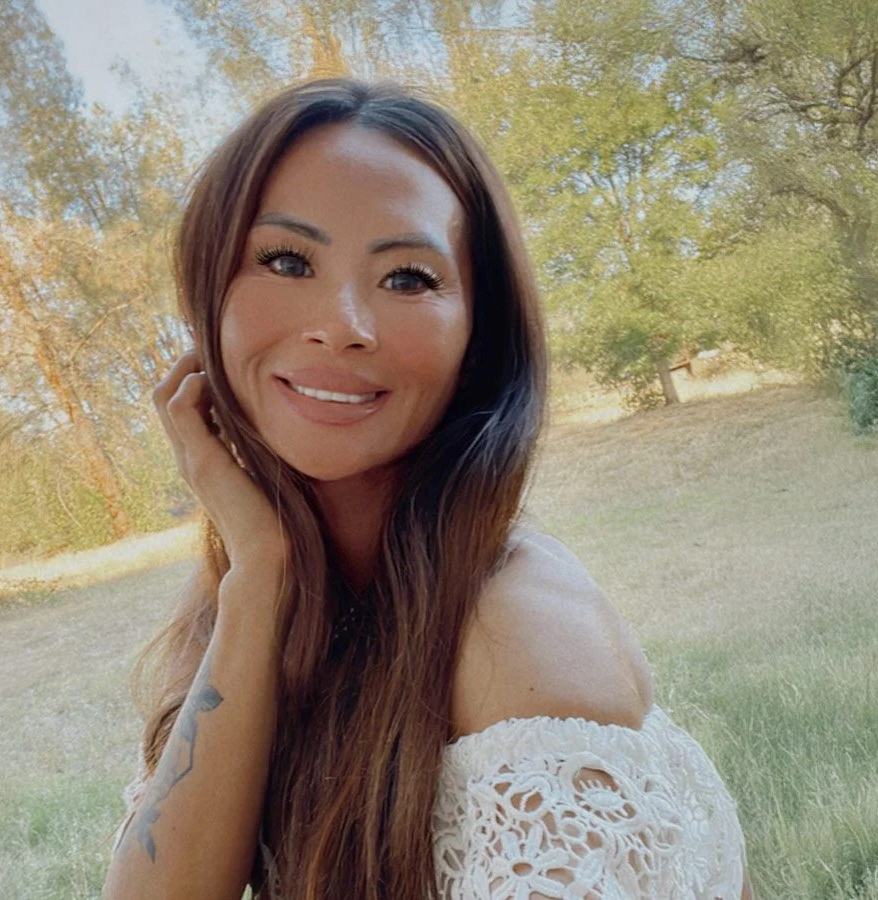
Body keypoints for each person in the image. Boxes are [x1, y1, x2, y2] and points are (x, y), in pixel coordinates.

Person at [102, 76, 753, 900]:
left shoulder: (520, 639)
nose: (342, 324)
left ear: (478, 335)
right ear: (210, 302)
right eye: (286, 261)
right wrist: (259, 571)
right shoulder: (253, 594)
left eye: (408, 278)